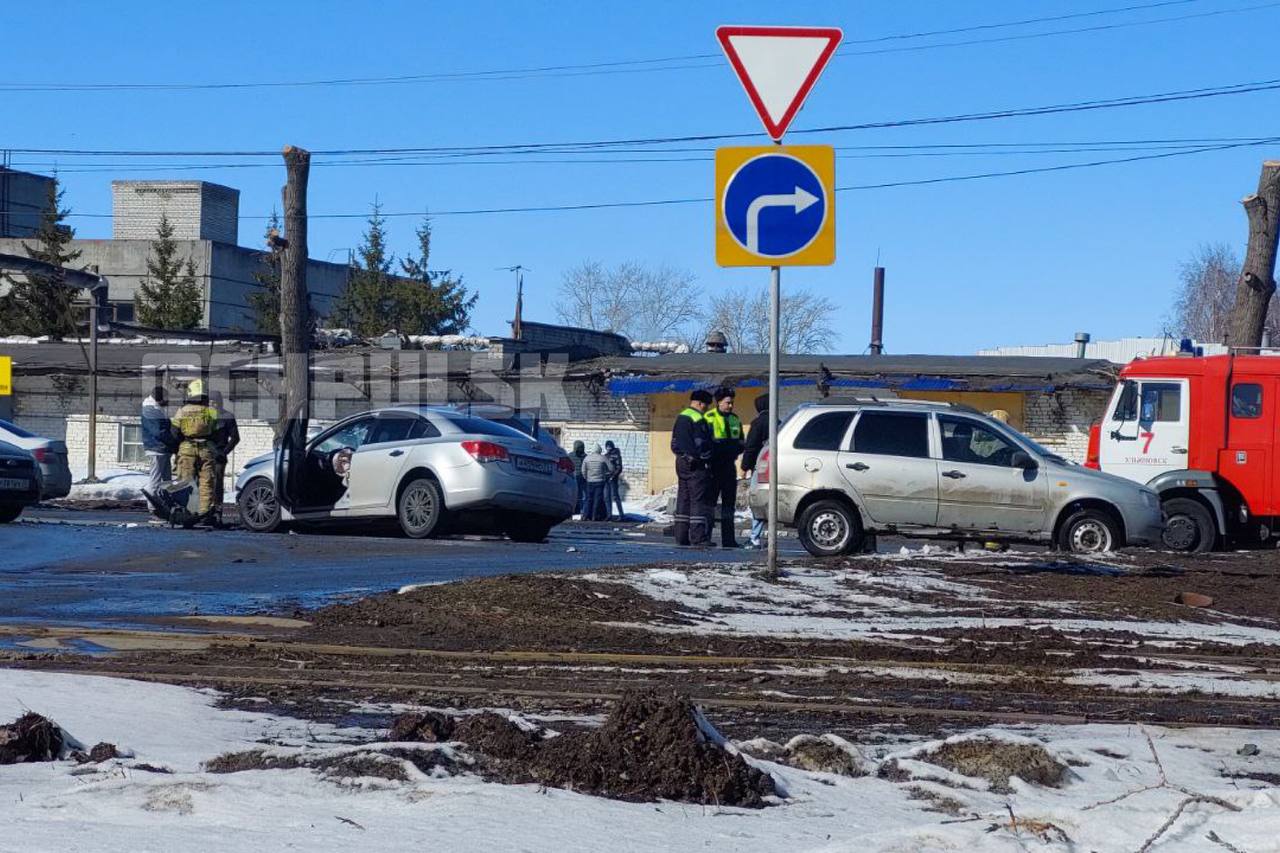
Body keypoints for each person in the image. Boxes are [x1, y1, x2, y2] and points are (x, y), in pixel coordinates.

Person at [670, 389, 714, 546]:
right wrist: (708, 457)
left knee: (684, 498)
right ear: (700, 403)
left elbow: (674, 444)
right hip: (696, 464)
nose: (707, 408)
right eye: (706, 405)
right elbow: (702, 444)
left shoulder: (681, 417)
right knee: (698, 500)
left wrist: (683, 456)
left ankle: (681, 536)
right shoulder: (698, 419)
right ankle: (698, 537)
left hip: (681, 462)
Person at [703, 388, 745, 548]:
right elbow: (705, 443)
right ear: (719, 402)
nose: (730, 405)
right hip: (713, 467)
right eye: (728, 402)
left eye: (732, 402)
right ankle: (705, 537)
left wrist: (733, 448)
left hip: (729, 467)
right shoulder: (709, 418)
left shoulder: (735, 419)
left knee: (729, 505)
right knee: (710, 504)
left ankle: (729, 539)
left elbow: (741, 442)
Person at [173, 379, 219, 518]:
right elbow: (216, 432)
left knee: (185, 482)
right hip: (206, 450)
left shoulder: (181, 411)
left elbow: (174, 432)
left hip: (187, 449)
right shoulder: (212, 412)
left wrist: (176, 448)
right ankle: (204, 513)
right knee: (207, 482)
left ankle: (186, 512)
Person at [740, 393, 770, 549]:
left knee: (757, 503)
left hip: (760, 468)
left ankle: (755, 538)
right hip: (776, 469)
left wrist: (744, 467)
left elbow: (750, 447)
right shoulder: (778, 423)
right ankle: (771, 539)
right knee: (771, 503)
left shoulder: (758, 423)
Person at [209, 391, 241, 523]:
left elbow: (235, 438)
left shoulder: (227, 417)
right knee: (201, 483)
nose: (212, 405)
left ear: (220, 403)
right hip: (204, 454)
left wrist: (224, 452)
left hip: (219, 456)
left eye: (214, 402)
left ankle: (217, 512)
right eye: (210, 402)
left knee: (217, 485)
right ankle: (202, 511)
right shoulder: (203, 416)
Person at [141, 385, 175, 499]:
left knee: (167, 481)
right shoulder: (150, 410)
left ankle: (167, 505)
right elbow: (159, 432)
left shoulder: (156, 409)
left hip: (162, 449)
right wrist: (173, 442)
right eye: (166, 398)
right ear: (159, 399)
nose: (168, 401)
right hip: (157, 449)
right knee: (155, 481)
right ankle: (153, 508)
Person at [582, 443, 612, 521]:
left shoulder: (587, 458)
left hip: (589, 482)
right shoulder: (603, 458)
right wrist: (606, 473)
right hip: (600, 482)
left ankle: (585, 515)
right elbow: (611, 468)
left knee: (588, 499)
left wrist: (586, 478)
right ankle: (594, 516)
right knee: (597, 499)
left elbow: (583, 470)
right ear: (600, 450)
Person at [604, 440, 625, 521]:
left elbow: (619, 467)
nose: (608, 447)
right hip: (606, 479)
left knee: (615, 497)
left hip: (613, 479)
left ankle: (621, 515)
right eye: (607, 446)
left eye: (609, 446)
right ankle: (609, 515)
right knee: (606, 497)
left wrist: (613, 476)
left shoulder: (616, 455)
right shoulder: (605, 455)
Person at [570, 440, 588, 517]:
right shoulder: (584, 456)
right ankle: (580, 510)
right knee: (579, 495)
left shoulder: (570, 455)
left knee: (576, 495)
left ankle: (576, 510)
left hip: (575, 478)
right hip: (579, 478)